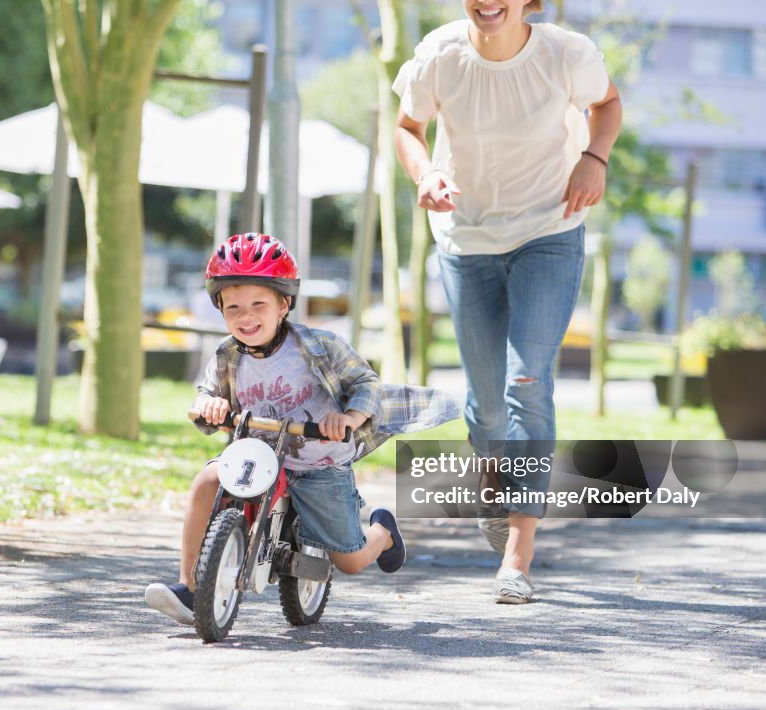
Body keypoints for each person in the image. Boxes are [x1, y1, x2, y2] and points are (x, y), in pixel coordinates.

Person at [393, 0, 623, 603]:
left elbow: (608, 103)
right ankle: (496, 474)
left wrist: (593, 158)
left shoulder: (565, 54)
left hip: (549, 230)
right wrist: (425, 175)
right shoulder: (440, 56)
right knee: (487, 404)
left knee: (528, 382)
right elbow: (407, 128)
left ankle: (518, 558)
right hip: (466, 240)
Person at [145, 233, 459, 625]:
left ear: (284, 304)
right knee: (207, 480)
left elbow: (366, 385)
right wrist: (210, 405)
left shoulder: (321, 347)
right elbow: (207, 393)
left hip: (319, 462)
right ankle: (190, 588)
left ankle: (383, 532)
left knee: (351, 560)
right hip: (256, 455)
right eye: (233, 307)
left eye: (259, 304)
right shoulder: (227, 353)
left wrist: (346, 419)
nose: (246, 316)